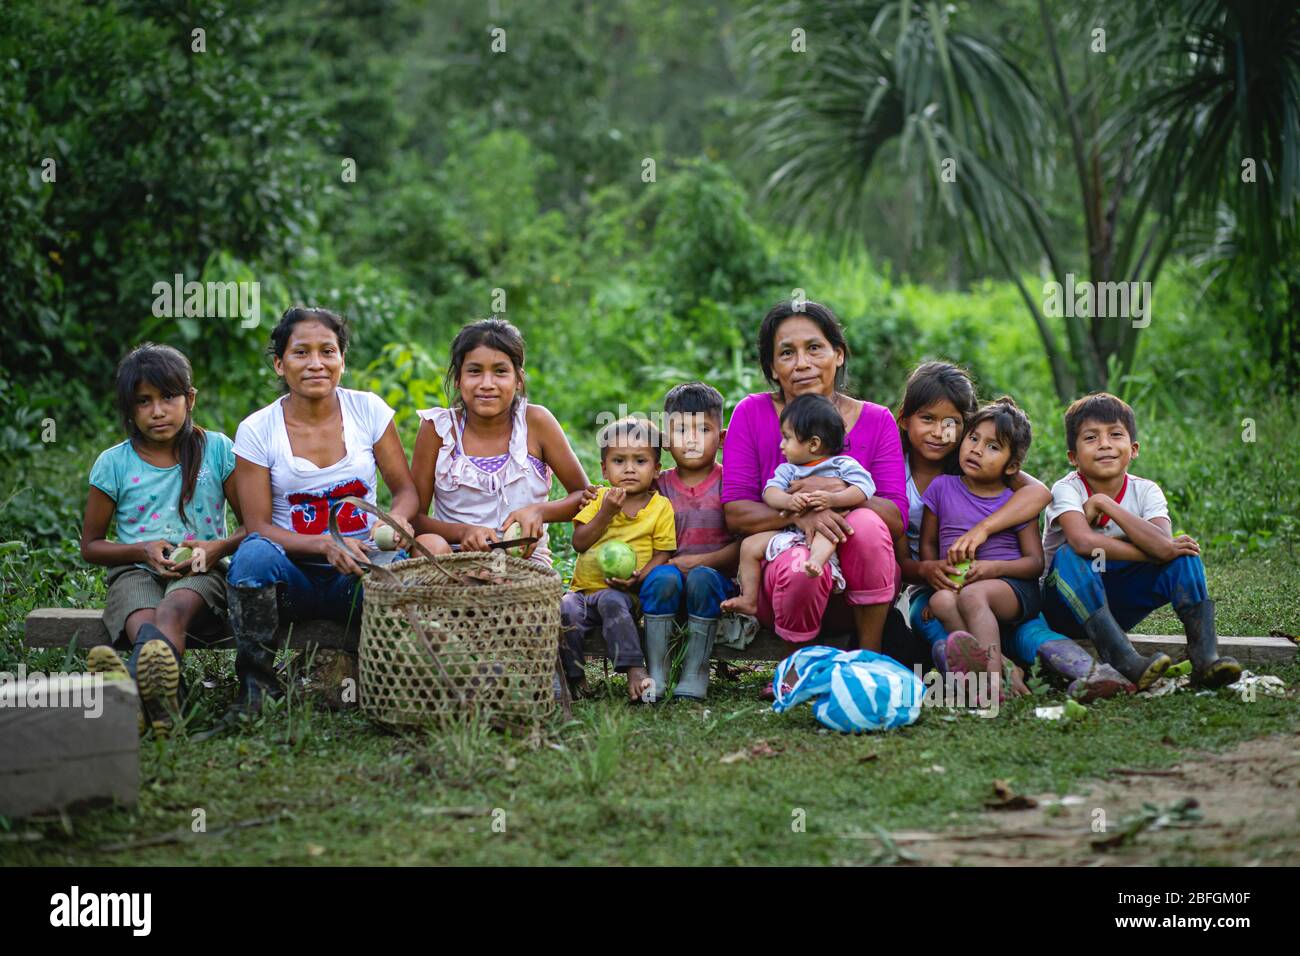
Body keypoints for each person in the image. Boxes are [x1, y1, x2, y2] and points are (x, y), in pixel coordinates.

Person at [895, 362, 1131, 700]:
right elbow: (913, 555)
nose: (940, 433)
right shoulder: (901, 469)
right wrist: (931, 575)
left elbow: (1039, 494)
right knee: (937, 623)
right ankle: (995, 675)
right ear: (905, 418)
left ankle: (1091, 672)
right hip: (939, 586)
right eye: (927, 419)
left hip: (999, 585)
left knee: (1029, 631)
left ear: (965, 424)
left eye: (953, 424)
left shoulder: (984, 470)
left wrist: (983, 531)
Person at [226, 307, 421, 714]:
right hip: (289, 582)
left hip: (358, 571)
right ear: (280, 364)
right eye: (301, 353)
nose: (316, 363)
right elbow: (258, 525)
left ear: (342, 360)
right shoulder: (258, 430)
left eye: (328, 351)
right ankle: (256, 690)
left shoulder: (367, 411)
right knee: (251, 557)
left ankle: (391, 684)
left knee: (396, 571)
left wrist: (399, 518)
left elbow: (405, 490)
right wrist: (324, 545)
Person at [721, 299, 905, 651]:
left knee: (867, 524)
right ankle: (797, 665)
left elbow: (894, 519)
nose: (802, 363)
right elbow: (736, 514)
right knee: (800, 566)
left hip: (863, 591)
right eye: (787, 353)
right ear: (773, 368)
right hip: (784, 583)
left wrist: (836, 496)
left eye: (815, 348)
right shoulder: (751, 414)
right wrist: (805, 512)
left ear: (838, 354)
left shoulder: (877, 420)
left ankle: (868, 658)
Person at [81, 344, 244, 734]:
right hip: (134, 573)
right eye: (143, 401)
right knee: (146, 623)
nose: (157, 411)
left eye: (168, 397)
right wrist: (141, 550)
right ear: (129, 409)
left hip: (201, 572)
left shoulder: (217, 450)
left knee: (170, 611)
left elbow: (251, 524)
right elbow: (91, 546)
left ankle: (126, 695)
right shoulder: (113, 463)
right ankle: (163, 710)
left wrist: (215, 548)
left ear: (189, 399)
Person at [1041, 392, 1242, 689]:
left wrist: (1107, 505)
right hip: (1066, 606)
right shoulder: (1066, 489)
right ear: (1073, 457)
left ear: (1133, 449)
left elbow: (1164, 544)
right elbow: (1084, 543)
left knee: (1184, 555)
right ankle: (1123, 659)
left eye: (1115, 435)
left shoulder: (1146, 491)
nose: (1105, 444)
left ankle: (1205, 659)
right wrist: (1153, 552)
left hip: (1118, 604)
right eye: (1091, 438)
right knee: (1070, 555)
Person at [410, 318, 595, 568]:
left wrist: (539, 511)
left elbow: (584, 496)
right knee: (429, 546)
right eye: (474, 371)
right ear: (457, 379)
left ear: (518, 379)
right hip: (453, 558)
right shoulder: (438, 429)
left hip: (524, 560)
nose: (487, 384)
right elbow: (415, 517)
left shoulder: (536, 422)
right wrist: (463, 532)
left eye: (500, 371)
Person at [920, 398, 1043, 698]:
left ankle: (989, 683)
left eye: (992, 447)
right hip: (961, 586)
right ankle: (1001, 666)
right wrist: (931, 581)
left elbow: (1035, 563)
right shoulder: (941, 488)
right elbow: (929, 543)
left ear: (1012, 465)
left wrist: (994, 569)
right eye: (973, 438)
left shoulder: (1015, 501)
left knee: (975, 594)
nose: (976, 449)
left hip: (1010, 587)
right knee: (941, 603)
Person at [726, 392, 876, 611]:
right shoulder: (788, 469)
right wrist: (788, 501)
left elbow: (864, 488)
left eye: (787, 437)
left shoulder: (843, 465)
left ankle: (816, 561)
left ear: (814, 444)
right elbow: (770, 492)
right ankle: (749, 598)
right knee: (748, 546)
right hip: (787, 532)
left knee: (826, 533)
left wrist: (833, 498)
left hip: (823, 531)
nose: (781, 445)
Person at [562, 417, 676, 702]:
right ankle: (574, 677)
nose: (629, 469)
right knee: (564, 609)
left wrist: (641, 577)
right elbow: (579, 542)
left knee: (612, 601)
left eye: (640, 461)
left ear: (656, 470)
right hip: (582, 592)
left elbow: (664, 551)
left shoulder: (660, 507)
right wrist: (605, 513)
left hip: (622, 592)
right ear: (603, 468)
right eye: (618, 461)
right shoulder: (599, 499)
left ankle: (634, 669)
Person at [637, 382, 738, 700]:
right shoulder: (657, 486)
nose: (691, 439)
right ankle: (658, 670)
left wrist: (700, 562)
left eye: (703, 429)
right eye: (681, 430)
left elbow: (743, 544)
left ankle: (695, 669)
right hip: (668, 579)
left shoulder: (729, 483)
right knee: (662, 576)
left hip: (714, 583)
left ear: (721, 439)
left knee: (702, 578)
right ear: (666, 441)